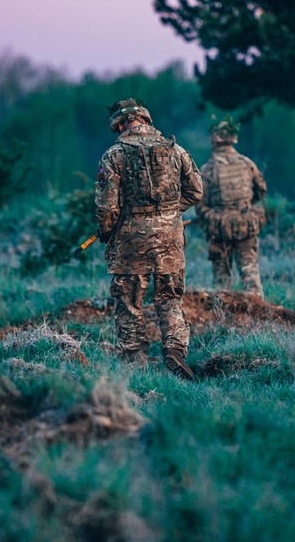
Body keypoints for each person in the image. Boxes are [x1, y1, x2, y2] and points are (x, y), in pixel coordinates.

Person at [95, 98, 203, 380]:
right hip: (170, 238)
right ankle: (175, 350)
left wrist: (106, 231)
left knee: (130, 302)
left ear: (120, 124)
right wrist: (168, 213)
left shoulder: (113, 155)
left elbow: (107, 207)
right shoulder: (174, 148)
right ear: (146, 119)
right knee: (170, 297)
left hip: (131, 241)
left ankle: (136, 366)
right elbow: (196, 191)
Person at [196, 118, 268, 297]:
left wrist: (210, 218)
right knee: (250, 274)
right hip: (246, 225)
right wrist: (244, 207)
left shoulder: (207, 169)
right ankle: (257, 314)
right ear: (233, 138)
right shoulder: (247, 163)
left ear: (214, 140)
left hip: (219, 229)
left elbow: (200, 201)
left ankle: (225, 317)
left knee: (222, 280)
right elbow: (261, 191)